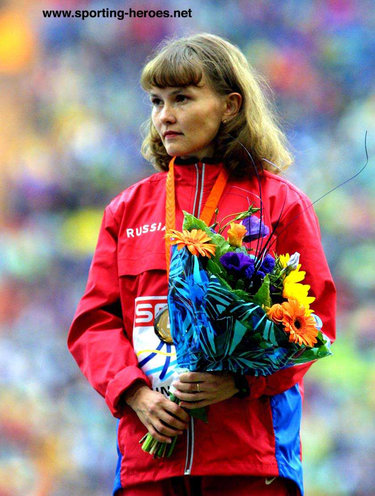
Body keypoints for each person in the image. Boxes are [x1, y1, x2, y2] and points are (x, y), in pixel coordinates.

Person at [68, 33, 336, 496]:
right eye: (156, 101)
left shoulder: (280, 204)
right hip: (149, 467)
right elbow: (94, 324)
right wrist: (136, 394)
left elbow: (316, 324)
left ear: (230, 105)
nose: (164, 116)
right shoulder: (126, 211)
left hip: (251, 464)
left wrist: (239, 382)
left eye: (183, 99)